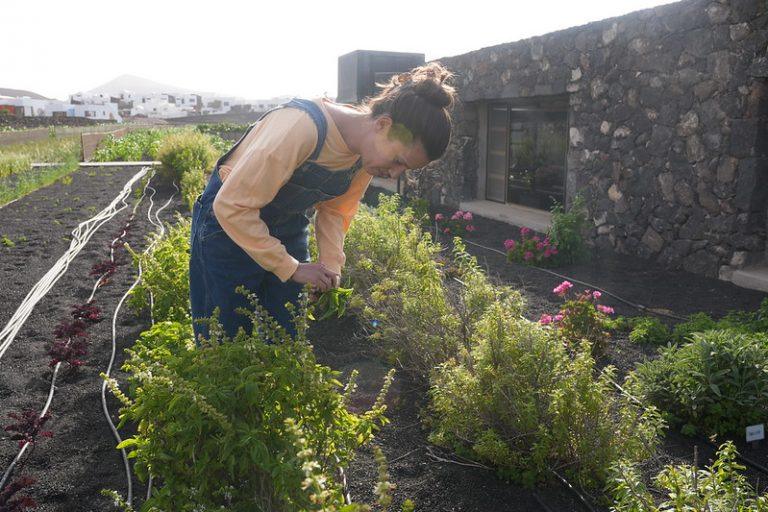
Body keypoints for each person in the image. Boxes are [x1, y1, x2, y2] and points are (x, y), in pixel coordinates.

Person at [189, 62, 457, 345]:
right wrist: (291, 267)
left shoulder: (364, 157)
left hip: (287, 227)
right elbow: (232, 205)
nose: (394, 174)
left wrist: (329, 268)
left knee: (285, 336)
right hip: (226, 228)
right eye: (398, 161)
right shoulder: (301, 127)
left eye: (405, 170)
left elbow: (336, 212)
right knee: (223, 339)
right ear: (383, 125)